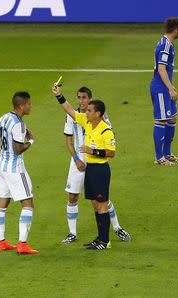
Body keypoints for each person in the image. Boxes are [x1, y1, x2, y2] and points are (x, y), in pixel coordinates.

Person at [61, 86, 131, 244]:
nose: (81, 101)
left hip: (96, 163)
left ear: (90, 100)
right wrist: (76, 159)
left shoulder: (99, 117)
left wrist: (94, 149)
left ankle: (116, 229)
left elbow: (110, 139)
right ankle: (73, 233)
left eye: (84, 98)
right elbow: (69, 139)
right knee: (75, 197)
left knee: (102, 200)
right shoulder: (76, 117)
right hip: (79, 160)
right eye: (79, 98)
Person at [52, 83, 116, 250]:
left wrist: (92, 151)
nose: (85, 111)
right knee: (95, 204)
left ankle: (105, 240)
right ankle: (100, 238)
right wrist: (59, 95)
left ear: (98, 114)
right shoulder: (88, 123)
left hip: (100, 170)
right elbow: (70, 111)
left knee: (102, 204)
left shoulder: (105, 130)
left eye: (89, 110)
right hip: (91, 170)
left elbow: (111, 152)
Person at [0, 91, 38, 254]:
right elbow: (18, 150)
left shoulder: (3, 118)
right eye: (29, 104)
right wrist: (30, 140)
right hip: (15, 170)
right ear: (21, 106)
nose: (30, 106)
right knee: (28, 203)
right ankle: (22, 244)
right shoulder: (19, 124)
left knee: (3, 202)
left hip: (2, 168)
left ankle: (1, 242)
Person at [149, 17, 178, 165]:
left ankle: (167, 153)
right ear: (175, 29)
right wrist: (170, 88)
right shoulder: (165, 46)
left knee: (172, 118)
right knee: (161, 120)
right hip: (161, 88)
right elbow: (161, 69)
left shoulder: (167, 43)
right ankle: (159, 158)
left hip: (166, 86)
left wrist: (171, 86)